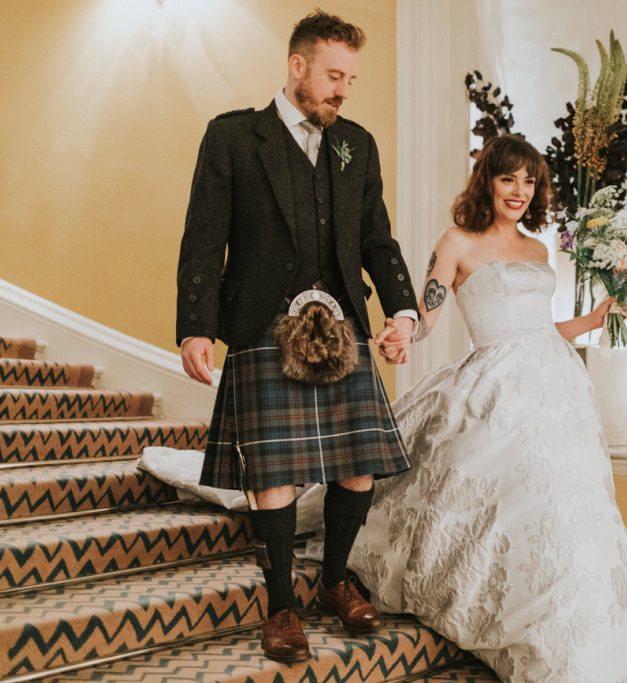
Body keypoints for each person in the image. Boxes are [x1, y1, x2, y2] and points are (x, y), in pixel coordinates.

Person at [297, 134, 627, 682]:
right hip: (494, 388)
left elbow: (540, 329)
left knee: (563, 511)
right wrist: (402, 333)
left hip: (557, 391)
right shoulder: (458, 242)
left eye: (529, 181)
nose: (519, 191)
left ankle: (571, 633)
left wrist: (590, 321)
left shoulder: (539, 250)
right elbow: (428, 309)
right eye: (508, 178)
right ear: (487, 180)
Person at [175, 10, 418, 663]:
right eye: (334, 75)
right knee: (275, 475)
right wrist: (196, 327)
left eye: (350, 78)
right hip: (261, 323)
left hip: (341, 325)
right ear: (297, 66)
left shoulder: (355, 144)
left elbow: (376, 239)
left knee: (360, 466)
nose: (343, 88)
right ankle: (282, 604)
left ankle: (335, 580)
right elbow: (204, 241)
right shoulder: (232, 138)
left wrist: (404, 312)